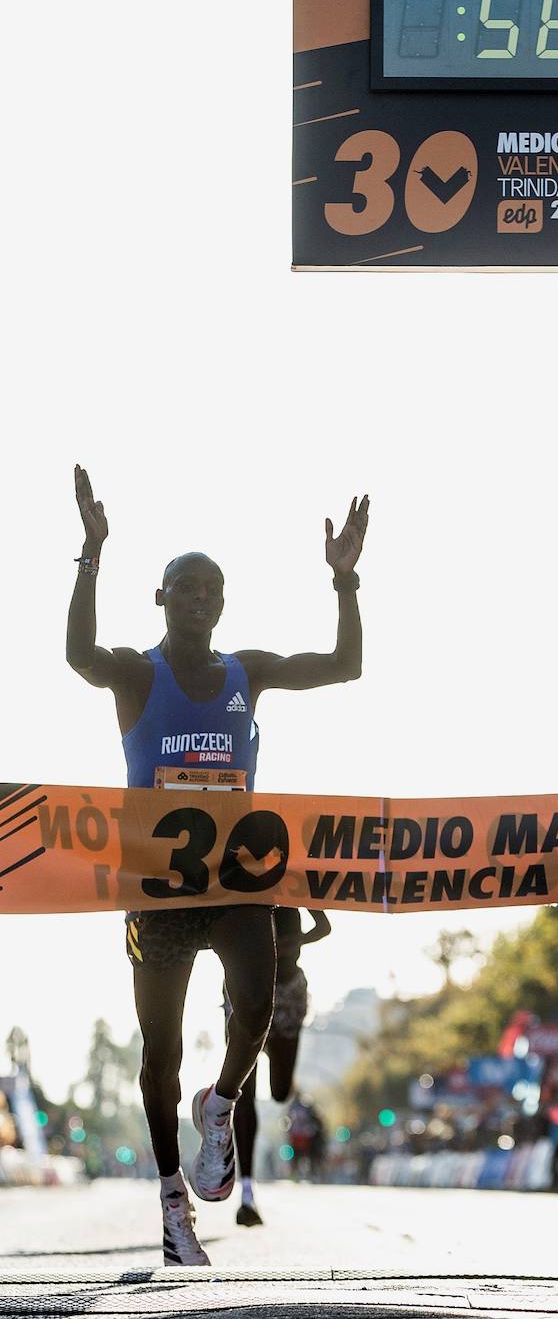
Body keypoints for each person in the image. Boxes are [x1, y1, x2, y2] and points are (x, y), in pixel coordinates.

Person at [66, 464, 368, 1266]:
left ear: (223, 605)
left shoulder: (248, 672)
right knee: (157, 1052)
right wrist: (90, 554)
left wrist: (346, 583)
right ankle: (173, 1201)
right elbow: (77, 655)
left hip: (237, 880)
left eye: (212, 589)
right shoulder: (138, 673)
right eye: (184, 587)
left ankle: (223, 1101)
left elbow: (344, 666)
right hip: (157, 891)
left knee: (258, 999)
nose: (199, 597)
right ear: (161, 600)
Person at [228, 906, 331, 1226]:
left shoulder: (294, 880)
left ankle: (272, 1050)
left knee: (280, 1091)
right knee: (242, 1092)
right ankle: (246, 1191)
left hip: (287, 991)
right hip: (244, 985)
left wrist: (289, 944)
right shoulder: (234, 880)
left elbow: (324, 926)